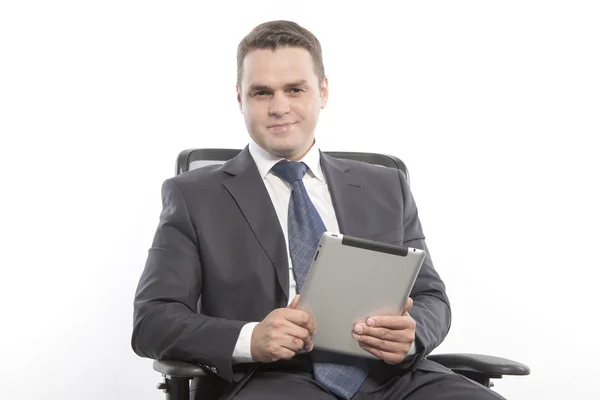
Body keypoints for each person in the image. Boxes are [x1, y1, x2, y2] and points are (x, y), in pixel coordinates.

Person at [131, 20, 504, 400]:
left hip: (392, 376)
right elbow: (152, 322)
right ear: (240, 98)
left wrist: (412, 335)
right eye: (262, 93)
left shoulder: (385, 186)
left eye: (295, 89)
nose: (280, 107)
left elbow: (430, 297)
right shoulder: (194, 196)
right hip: (270, 379)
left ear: (322, 92)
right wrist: (250, 338)